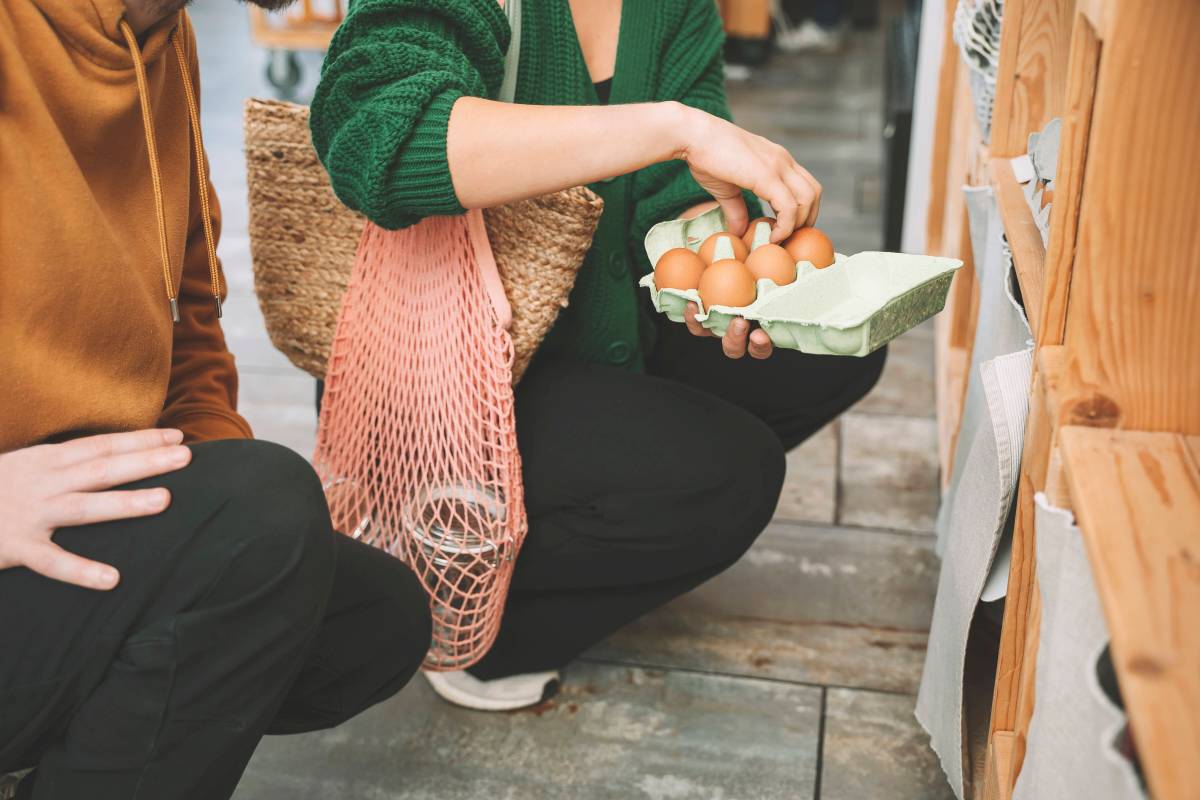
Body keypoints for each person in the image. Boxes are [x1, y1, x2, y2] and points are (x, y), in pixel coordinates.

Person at [310, 0, 885, 711]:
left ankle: (568, 542)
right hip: (441, 368)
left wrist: (721, 259)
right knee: (731, 477)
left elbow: (668, 197)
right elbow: (377, 141)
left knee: (835, 347)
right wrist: (672, 129)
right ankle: (475, 619)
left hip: (591, 329)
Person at [0, 0, 432, 797]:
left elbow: (189, 321)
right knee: (263, 524)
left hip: (74, 516)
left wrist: (235, 534)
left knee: (368, 620)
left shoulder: (161, 37)